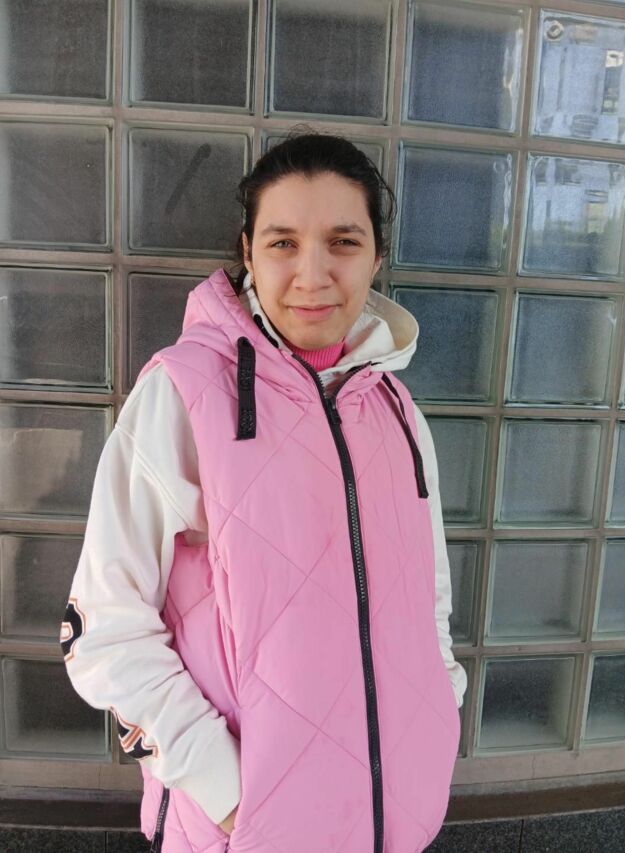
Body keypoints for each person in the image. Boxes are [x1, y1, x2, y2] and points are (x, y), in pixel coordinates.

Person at [62, 128, 467, 853]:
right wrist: (231, 796)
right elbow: (104, 632)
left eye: (343, 242)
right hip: (241, 833)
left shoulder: (397, 409)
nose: (313, 274)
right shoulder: (182, 392)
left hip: (394, 821)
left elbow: (427, 597)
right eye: (284, 243)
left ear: (376, 256)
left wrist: (439, 720)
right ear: (248, 252)